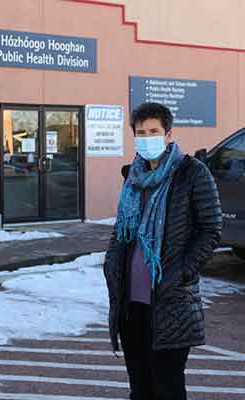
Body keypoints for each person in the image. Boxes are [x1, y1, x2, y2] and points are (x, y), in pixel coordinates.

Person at [103, 102, 222, 400]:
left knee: (167, 388)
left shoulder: (192, 173)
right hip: (131, 304)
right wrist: (111, 262)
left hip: (169, 301)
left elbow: (211, 230)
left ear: (168, 134)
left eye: (153, 131)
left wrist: (180, 273)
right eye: (140, 133)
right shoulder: (133, 177)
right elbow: (122, 230)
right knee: (140, 389)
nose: (147, 138)